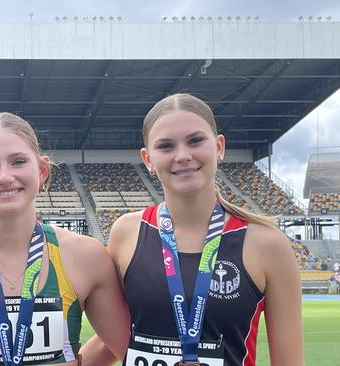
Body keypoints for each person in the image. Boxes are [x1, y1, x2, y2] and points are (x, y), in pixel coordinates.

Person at [90, 93, 303, 365]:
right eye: (166, 146)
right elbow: (119, 334)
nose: (183, 155)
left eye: (195, 140)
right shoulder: (127, 232)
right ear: (148, 160)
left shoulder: (267, 244)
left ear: (219, 147)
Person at [0, 112, 129, 365]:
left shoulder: (87, 255)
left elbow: (123, 347)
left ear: (42, 170)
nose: (4, 176)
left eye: (18, 161)